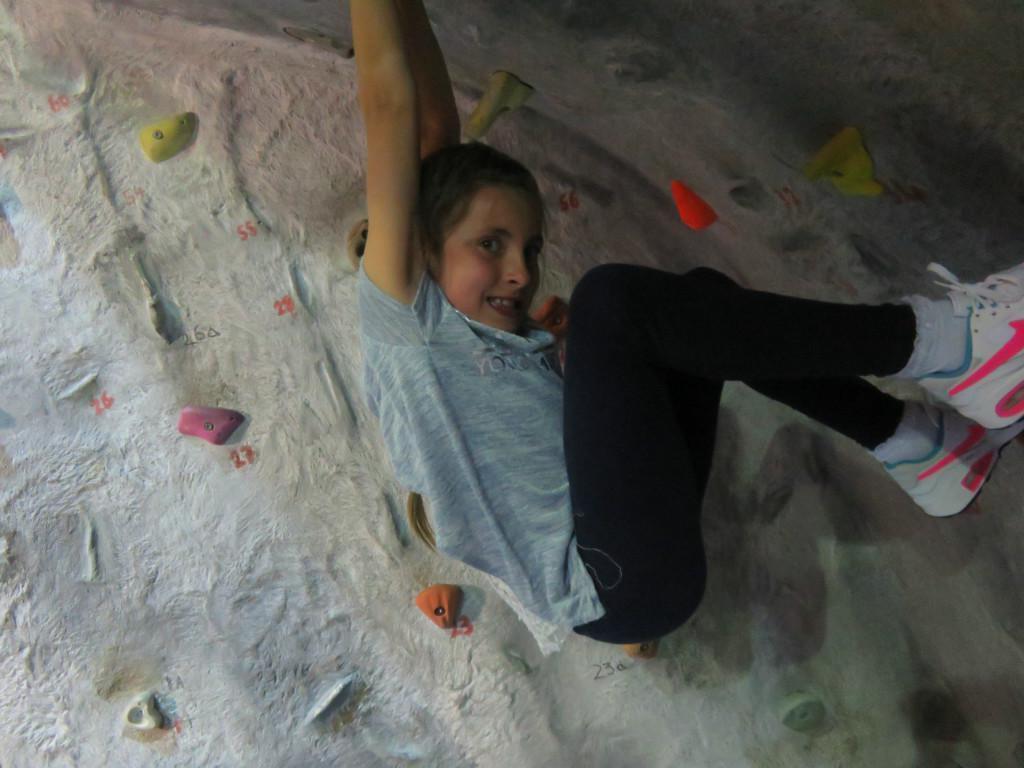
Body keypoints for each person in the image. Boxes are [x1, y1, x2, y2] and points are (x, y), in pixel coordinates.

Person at [348, 0, 1024, 648]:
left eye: (530, 248)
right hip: (614, 583)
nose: (520, 271)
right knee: (611, 300)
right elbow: (393, 107)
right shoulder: (405, 324)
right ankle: (946, 344)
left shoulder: (473, 330)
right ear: (419, 248)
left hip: (634, 571)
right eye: (491, 245)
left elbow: (435, 128)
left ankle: (914, 442)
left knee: (701, 305)